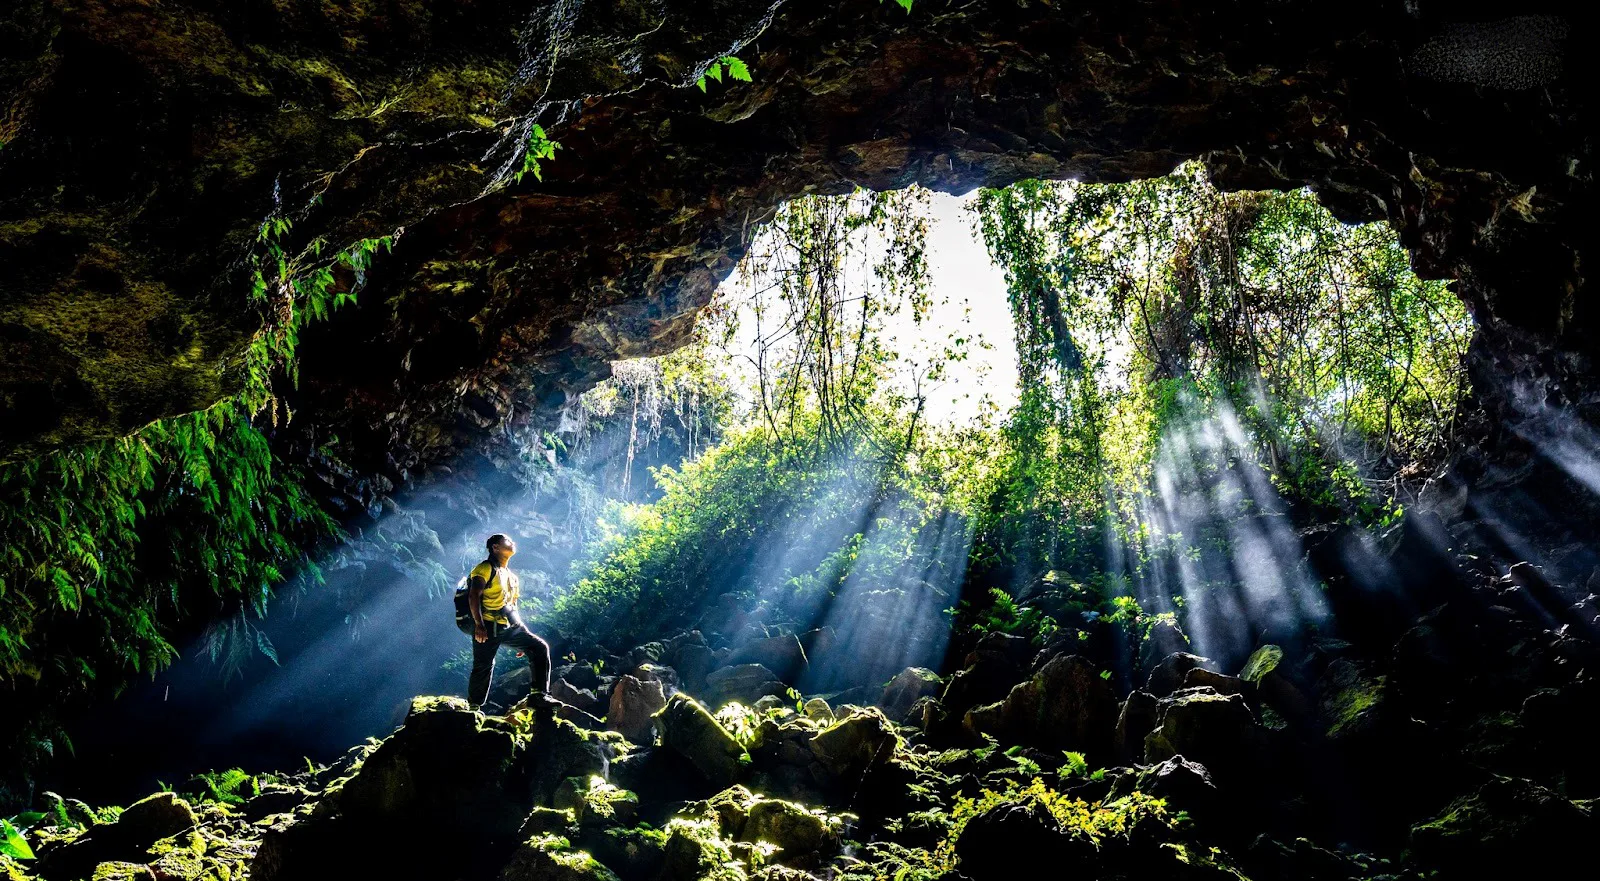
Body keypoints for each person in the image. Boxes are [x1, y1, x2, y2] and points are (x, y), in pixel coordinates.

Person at [466, 533, 553, 711]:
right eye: (507, 541)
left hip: (507, 626)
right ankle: (473, 708)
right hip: (487, 625)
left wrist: (523, 635)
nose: (512, 543)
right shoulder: (485, 568)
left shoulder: (512, 577)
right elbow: (474, 594)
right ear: (495, 547)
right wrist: (479, 625)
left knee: (538, 647)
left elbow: (512, 607)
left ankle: (539, 695)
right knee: (483, 665)